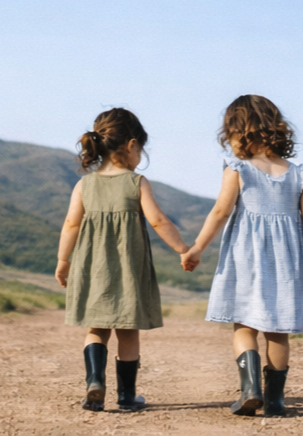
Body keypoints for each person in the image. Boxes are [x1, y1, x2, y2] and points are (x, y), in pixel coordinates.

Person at [182, 94, 303, 418]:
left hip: (247, 258)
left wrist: (197, 247)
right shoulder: (298, 174)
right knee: (278, 330)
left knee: (244, 325)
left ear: (237, 132)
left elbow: (220, 212)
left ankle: (250, 388)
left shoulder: (238, 169)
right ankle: (276, 401)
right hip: (288, 260)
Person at [56, 107, 190, 412]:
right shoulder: (136, 182)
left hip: (93, 270)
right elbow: (158, 220)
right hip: (129, 271)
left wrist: (63, 261)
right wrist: (183, 249)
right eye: (141, 148)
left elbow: (71, 225)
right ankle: (127, 396)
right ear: (131, 145)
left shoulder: (84, 185)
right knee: (128, 331)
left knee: (96, 328)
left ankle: (95, 383)